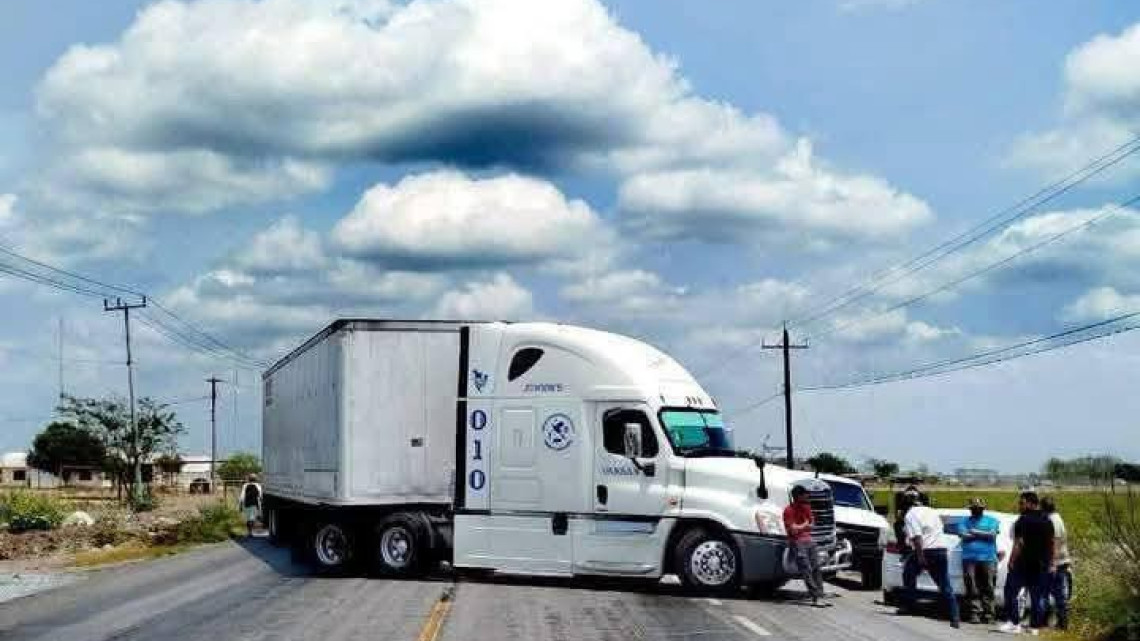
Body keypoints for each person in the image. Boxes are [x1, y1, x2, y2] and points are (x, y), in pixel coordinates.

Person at [897, 489, 961, 628]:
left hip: (925, 551)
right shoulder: (933, 512)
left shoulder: (910, 514)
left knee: (908, 574)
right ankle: (955, 617)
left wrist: (920, 557)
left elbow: (917, 537)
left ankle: (910, 606)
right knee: (944, 584)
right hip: (941, 551)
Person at [998, 491, 1054, 635]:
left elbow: (1019, 543)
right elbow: (1052, 543)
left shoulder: (1022, 520)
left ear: (1030, 503)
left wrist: (1011, 561)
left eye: (1021, 503)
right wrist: (1051, 562)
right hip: (1041, 564)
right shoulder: (1047, 520)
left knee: (1010, 591)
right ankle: (1034, 627)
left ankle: (1013, 622)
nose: (1019, 506)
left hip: (1023, 564)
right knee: (1037, 597)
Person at [783, 485, 830, 607]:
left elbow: (812, 524)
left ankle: (820, 595)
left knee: (816, 568)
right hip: (797, 542)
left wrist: (801, 526)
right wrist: (804, 525)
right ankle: (815, 597)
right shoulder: (788, 510)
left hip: (809, 540)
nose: (807, 496)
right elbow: (792, 531)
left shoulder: (807, 508)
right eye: (804, 494)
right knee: (806, 568)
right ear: (797, 496)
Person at [958, 497, 1000, 624]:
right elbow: (963, 535)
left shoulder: (992, 520)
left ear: (983, 509)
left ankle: (989, 615)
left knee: (988, 586)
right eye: (973, 508)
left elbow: (992, 535)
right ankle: (974, 613)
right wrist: (984, 534)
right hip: (969, 558)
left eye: (978, 508)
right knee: (972, 587)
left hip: (988, 558)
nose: (975, 510)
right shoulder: (964, 521)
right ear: (970, 509)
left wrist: (974, 531)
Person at [1042, 497, 1071, 630]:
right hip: (1057, 562)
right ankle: (1049, 621)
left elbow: (1056, 542)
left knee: (1058, 594)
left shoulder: (1053, 520)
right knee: (1049, 592)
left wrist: (1052, 563)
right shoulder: (1055, 518)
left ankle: (1062, 624)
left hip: (1057, 563)